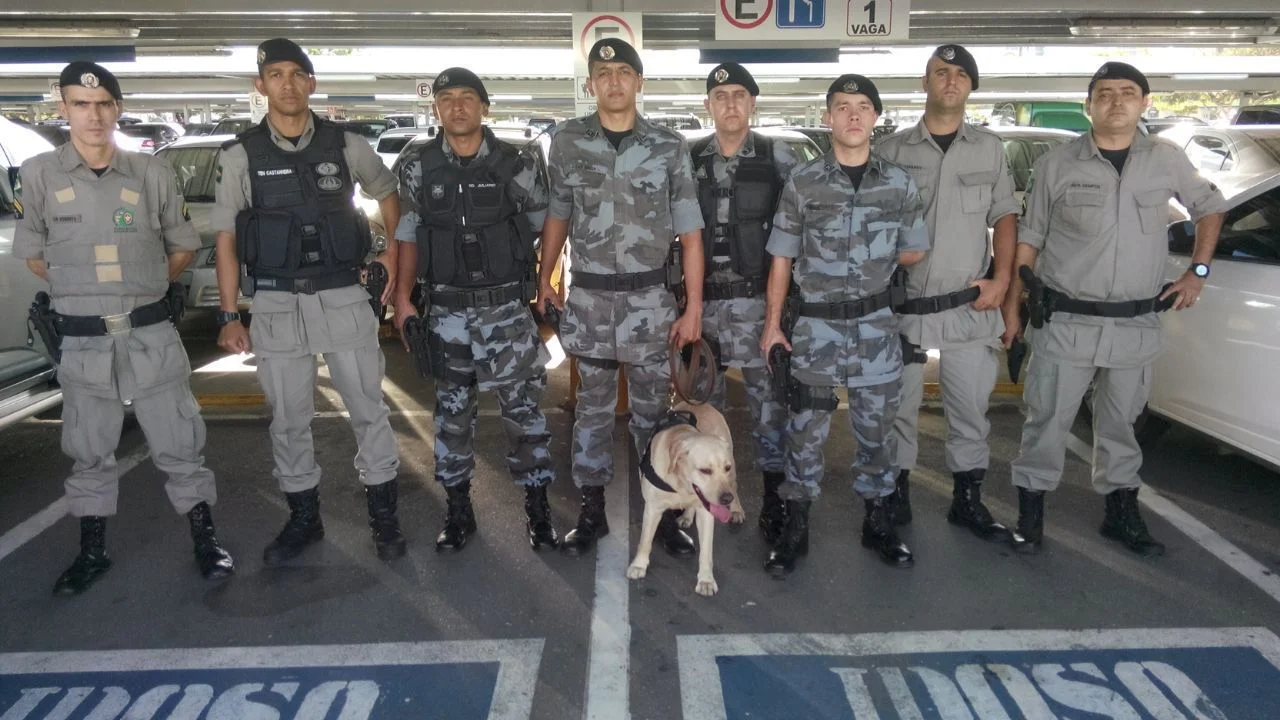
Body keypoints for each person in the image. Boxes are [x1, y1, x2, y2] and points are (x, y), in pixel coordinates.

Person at [15, 61, 233, 595]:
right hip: (85, 340)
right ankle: (92, 551)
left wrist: (141, 287)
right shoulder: (41, 173)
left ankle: (205, 540)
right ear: (62, 108)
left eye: (103, 104)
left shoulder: (150, 173)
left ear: (117, 108)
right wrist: (88, 290)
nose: (93, 115)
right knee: (88, 448)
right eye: (80, 105)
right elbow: (35, 256)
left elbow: (182, 246)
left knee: (181, 440)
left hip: (149, 333)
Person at [1002, 61, 1226, 556]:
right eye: (1104, 94)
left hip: (1134, 325)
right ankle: (1031, 511)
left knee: (1122, 425)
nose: (1116, 101)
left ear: (1145, 103)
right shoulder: (1059, 162)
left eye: (1128, 93)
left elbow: (1211, 206)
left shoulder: (1166, 160)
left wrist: (1198, 271)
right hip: (1066, 321)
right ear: (1088, 106)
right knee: (1046, 420)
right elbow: (1032, 235)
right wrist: (1015, 302)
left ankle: (1120, 512)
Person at [212, 38, 406, 564]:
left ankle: (384, 518)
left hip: (341, 294)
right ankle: (304, 519)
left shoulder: (347, 146)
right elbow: (227, 240)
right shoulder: (239, 155)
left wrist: (389, 254)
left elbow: (390, 195)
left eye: (298, 74)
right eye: (276, 74)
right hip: (275, 305)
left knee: (368, 409)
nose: (288, 84)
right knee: (289, 419)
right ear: (261, 85)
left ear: (312, 83)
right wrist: (230, 314)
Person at [538, 38, 705, 556]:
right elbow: (557, 216)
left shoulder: (668, 146)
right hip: (589, 302)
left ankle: (667, 511)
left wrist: (694, 307)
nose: (613, 81)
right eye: (603, 72)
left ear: (639, 82)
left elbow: (692, 234)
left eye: (623, 71)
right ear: (590, 84)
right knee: (591, 410)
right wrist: (542, 278)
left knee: (654, 413)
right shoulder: (567, 142)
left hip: (651, 304)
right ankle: (591, 512)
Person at [758, 74, 930, 575]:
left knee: (876, 431)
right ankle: (796, 526)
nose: (853, 115)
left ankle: (877, 521)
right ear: (827, 118)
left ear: (875, 117)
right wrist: (773, 325)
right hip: (815, 328)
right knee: (804, 430)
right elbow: (782, 259)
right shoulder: (804, 182)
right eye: (842, 106)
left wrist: (871, 261)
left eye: (862, 106)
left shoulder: (897, 182)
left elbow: (915, 248)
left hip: (876, 328)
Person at [391, 68, 558, 552]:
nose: (457, 106)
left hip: (505, 308)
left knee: (523, 412)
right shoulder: (417, 164)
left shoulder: (516, 161)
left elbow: (545, 223)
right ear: (436, 108)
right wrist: (403, 298)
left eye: (467, 98)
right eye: (446, 99)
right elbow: (407, 233)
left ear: (485, 107)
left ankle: (538, 509)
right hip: (445, 310)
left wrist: (545, 280)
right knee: (452, 414)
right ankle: (459, 511)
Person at [877, 44, 1019, 541]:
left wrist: (1003, 282)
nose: (951, 81)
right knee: (898, 409)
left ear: (971, 86)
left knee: (970, 409)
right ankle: (896, 494)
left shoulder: (990, 149)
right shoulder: (891, 150)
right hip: (907, 306)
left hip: (968, 304)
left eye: (961, 74)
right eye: (941, 72)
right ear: (925, 83)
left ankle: (967, 498)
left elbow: (1004, 217)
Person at [692, 62, 802, 544]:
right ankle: (707, 504)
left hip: (761, 306)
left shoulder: (781, 159)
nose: (730, 103)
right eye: (721, 96)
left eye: (740, 94)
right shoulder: (689, 159)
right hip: (705, 307)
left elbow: (800, 229)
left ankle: (775, 503)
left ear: (753, 103)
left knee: (771, 410)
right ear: (708, 105)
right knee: (704, 410)